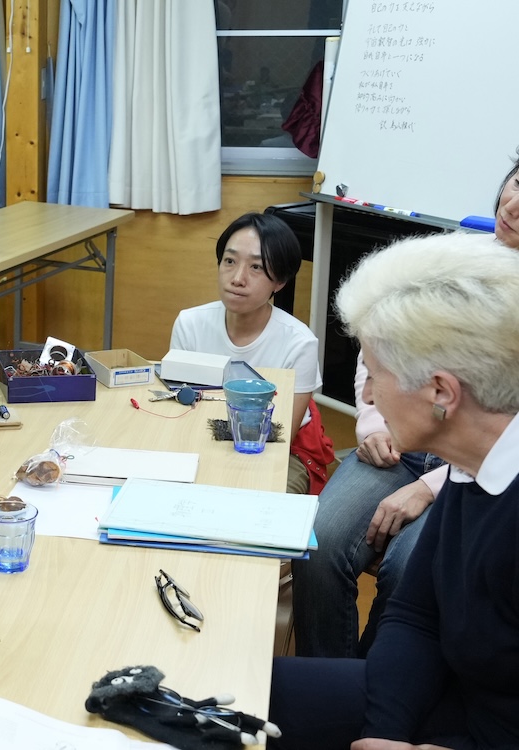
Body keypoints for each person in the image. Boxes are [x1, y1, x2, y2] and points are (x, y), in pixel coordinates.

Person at [268, 231, 519, 750]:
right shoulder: (471, 470)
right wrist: (384, 730)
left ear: (441, 393)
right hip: (451, 699)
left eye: (376, 374)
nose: (366, 393)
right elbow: (417, 613)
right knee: (242, 696)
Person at [291, 154, 519, 658]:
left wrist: (426, 487)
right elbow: (378, 341)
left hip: (471, 473)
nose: (513, 205)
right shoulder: (452, 257)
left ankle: (375, 683)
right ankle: (330, 674)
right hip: (401, 443)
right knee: (316, 539)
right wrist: (375, 422)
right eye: (516, 184)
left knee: (410, 570)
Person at [169, 212, 334, 494]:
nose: (238, 278)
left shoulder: (299, 342)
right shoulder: (190, 324)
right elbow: (181, 409)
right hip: (200, 442)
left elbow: (278, 436)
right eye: (230, 261)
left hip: (276, 449)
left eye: (256, 267)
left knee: (258, 502)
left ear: (280, 281)